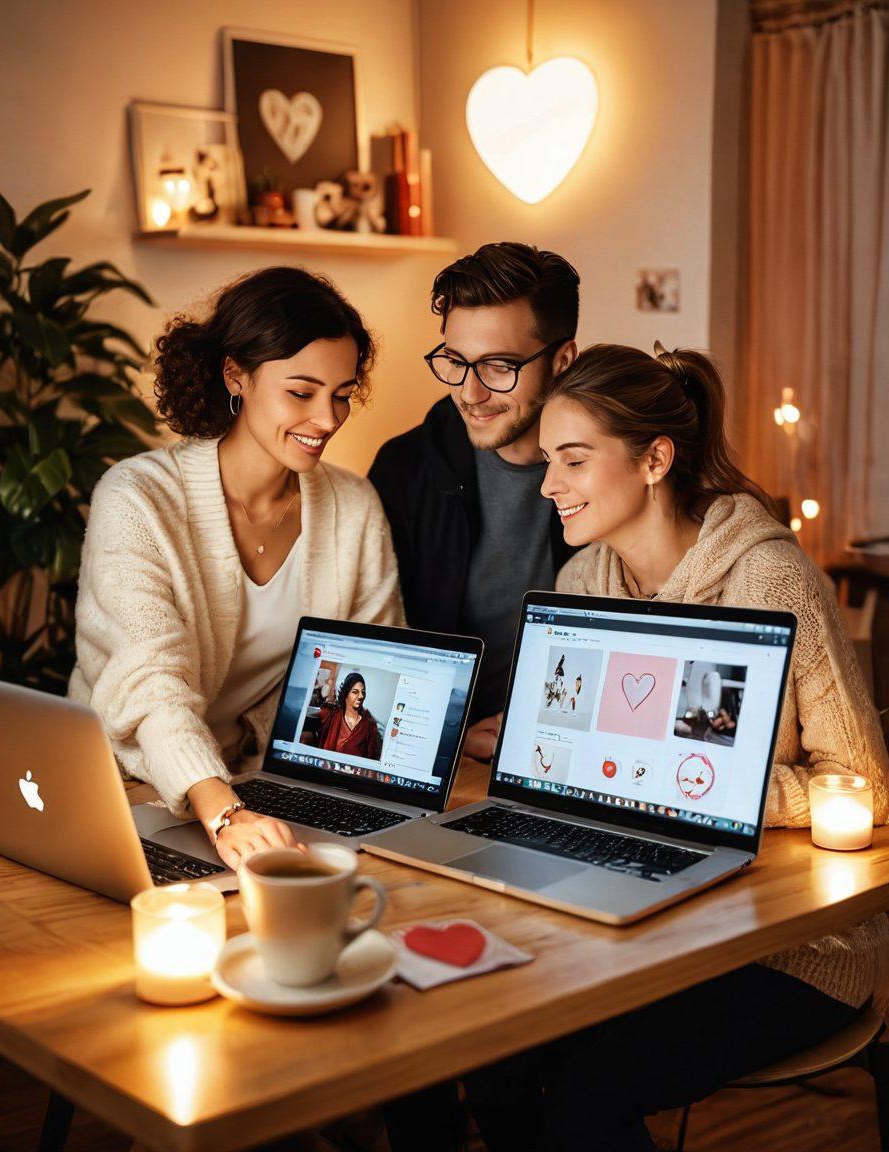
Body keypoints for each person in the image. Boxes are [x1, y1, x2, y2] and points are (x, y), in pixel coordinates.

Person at [455, 341, 889, 1151]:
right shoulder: (585, 581)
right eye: (549, 460)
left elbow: (866, 782)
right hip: (641, 908)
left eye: (574, 461)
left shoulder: (770, 579)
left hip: (790, 947)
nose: (549, 485)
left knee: (589, 1093)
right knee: (492, 1049)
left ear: (655, 459)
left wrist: (699, 788)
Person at [69, 266, 404, 871]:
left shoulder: (354, 507)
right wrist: (223, 810)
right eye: (301, 393)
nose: (327, 420)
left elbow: (379, 660)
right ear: (236, 376)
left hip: (260, 793)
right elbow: (150, 687)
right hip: (127, 791)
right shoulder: (138, 500)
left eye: (342, 394)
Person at [369, 242, 580, 761]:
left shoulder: (612, 470)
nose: (470, 392)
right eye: (456, 363)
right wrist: (452, 742)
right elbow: (377, 654)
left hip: (572, 755)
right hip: (439, 762)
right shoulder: (404, 470)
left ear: (562, 361)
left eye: (499, 367)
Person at [317, 672, 382, 760]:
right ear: (345, 693)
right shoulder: (332, 714)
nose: (361, 696)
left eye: (363, 692)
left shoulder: (368, 725)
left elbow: (373, 756)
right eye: (355, 692)